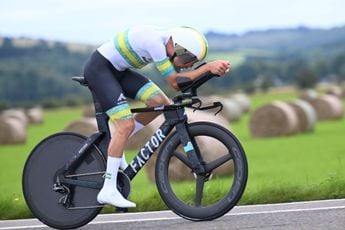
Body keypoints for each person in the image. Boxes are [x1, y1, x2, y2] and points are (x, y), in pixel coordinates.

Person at [84, 25, 230, 208]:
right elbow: (176, 83)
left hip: (118, 72)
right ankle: (108, 189)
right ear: (178, 47)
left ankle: (117, 143)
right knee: (125, 125)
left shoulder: (164, 44)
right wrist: (208, 67)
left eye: (193, 61)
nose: (189, 64)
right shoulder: (155, 43)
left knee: (162, 104)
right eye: (189, 58)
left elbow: (183, 82)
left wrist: (209, 71)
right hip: (100, 70)